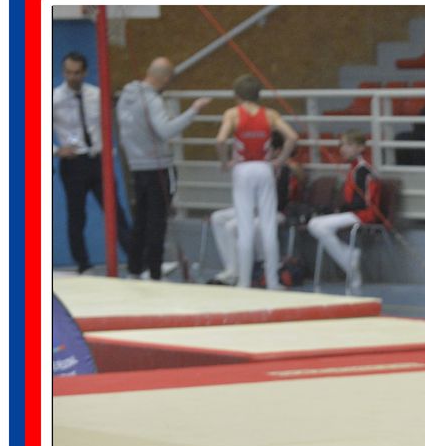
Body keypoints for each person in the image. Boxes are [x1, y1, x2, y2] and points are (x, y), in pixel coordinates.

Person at [115, 57, 211, 280]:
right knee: (157, 222)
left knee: (141, 220)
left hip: (137, 167)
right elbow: (166, 131)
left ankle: (135, 268)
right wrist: (193, 110)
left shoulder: (125, 97)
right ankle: (155, 272)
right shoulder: (152, 100)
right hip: (157, 168)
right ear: (166, 78)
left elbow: (125, 131)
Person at [214, 75, 298, 291]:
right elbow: (292, 136)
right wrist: (280, 160)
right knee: (268, 225)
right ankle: (273, 281)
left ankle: (243, 282)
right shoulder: (270, 114)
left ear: (236, 95)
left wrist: (225, 162)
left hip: (243, 168)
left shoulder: (232, 114)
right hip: (264, 168)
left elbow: (221, 140)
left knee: (245, 226)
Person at [52, 51, 131, 274]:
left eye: (77, 73)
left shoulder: (96, 95)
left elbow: (109, 123)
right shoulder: (53, 99)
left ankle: (135, 260)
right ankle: (83, 264)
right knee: (77, 215)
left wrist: (109, 148)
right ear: (63, 72)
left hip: (98, 161)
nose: (72, 77)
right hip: (74, 162)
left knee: (115, 211)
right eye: (68, 72)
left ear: (85, 72)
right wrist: (56, 150)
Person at [209, 132, 304, 286]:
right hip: (254, 208)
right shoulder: (257, 166)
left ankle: (243, 271)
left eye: (267, 149)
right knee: (217, 218)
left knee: (232, 226)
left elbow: (282, 199)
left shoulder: (286, 169)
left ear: (277, 151)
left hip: (276, 212)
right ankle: (232, 268)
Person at [307, 130, 382, 294]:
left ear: (360, 148)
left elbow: (363, 202)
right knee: (314, 224)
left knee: (318, 226)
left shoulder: (363, 170)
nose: (343, 149)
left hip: (364, 215)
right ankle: (349, 257)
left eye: (348, 145)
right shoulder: (354, 168)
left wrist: (342, 209)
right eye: (342, 145)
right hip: (353, 213)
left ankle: (350, 262)